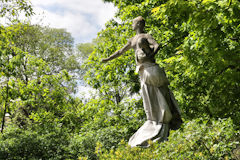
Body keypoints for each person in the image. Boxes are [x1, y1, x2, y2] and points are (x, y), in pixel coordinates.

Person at [102, 16, 182, 147]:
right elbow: (120, 51)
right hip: (142, 71)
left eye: (133, 23)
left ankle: (162, 122)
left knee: (159, 95)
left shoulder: (146, 35)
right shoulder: (132, 39)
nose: (131, 25)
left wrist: (151, 55)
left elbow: (156, 45)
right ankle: (152, 122)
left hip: (151, 69)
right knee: (148, 98)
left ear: (139, 24)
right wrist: (108, 59)